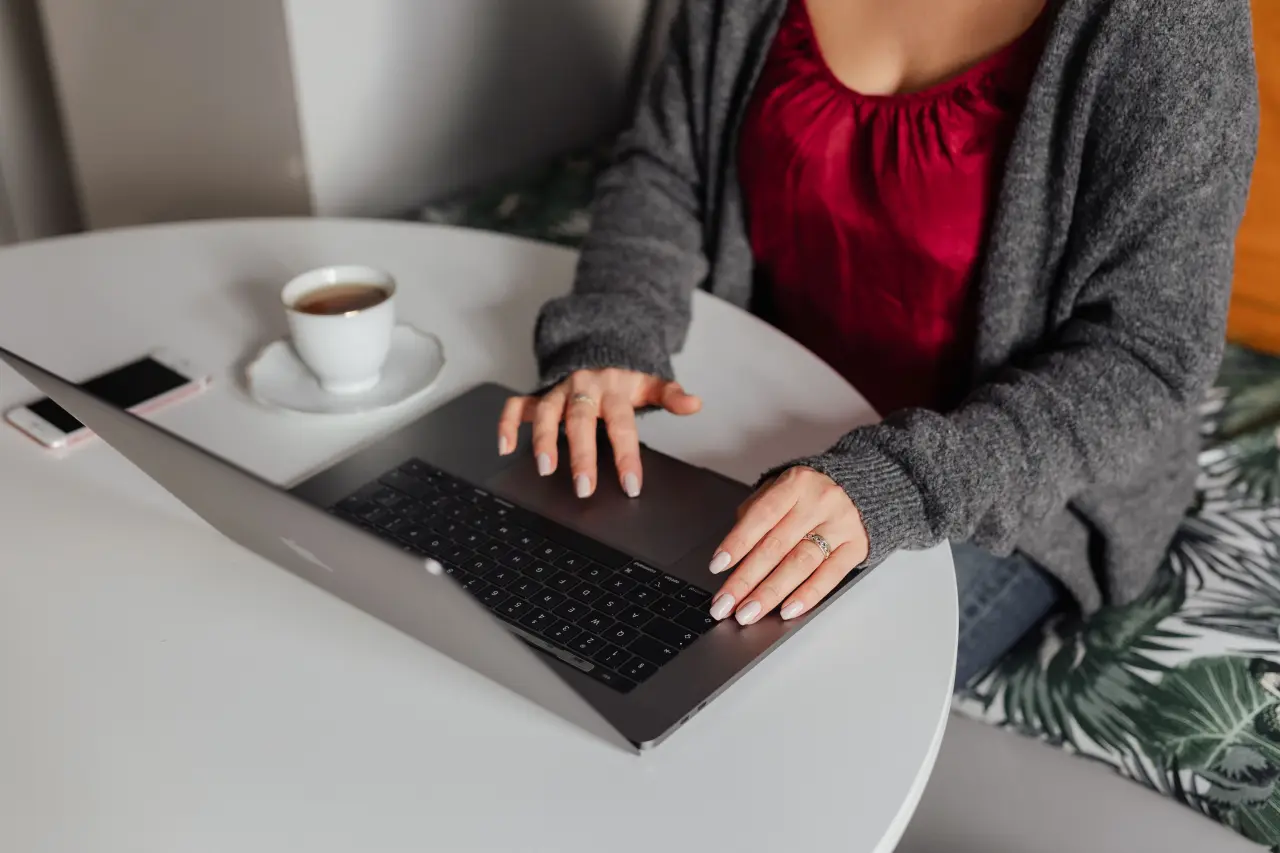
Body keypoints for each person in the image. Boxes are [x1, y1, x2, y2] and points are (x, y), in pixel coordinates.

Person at [494, 0, 1259, 687]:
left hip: (998, 481)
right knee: (535, 609)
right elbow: (667, 166)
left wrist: (892, 488)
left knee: (741, 701)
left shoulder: (1169, 23)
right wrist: (615, 330)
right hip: (760, 400)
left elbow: (1146, 355)